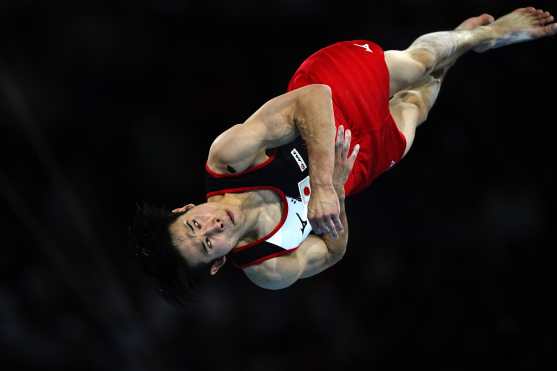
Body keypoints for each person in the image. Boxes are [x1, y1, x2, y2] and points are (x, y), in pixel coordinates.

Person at [130, 7, 556, 304]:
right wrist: (333, 186)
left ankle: (479, 36)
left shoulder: (228, 161)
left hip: (333, 93)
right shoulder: (268, 269)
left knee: (416, 64)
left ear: (186, 207)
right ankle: (461, 48)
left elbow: (313, 98)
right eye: (207, 244)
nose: (211, 227)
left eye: (194, 223)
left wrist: (320, 187)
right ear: (219, 261)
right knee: (415, 108)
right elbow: (333, 251)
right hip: (353, 165)